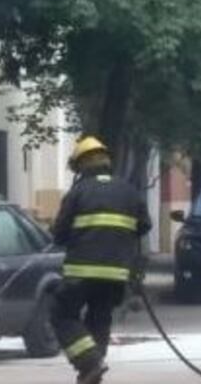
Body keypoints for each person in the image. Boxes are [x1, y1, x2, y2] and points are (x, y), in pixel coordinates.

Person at [50, 136, 152, 384]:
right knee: (99, 316)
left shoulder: (78, 192)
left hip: (81, 272)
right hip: (115, 274)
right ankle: (92, 374)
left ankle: (89, 362)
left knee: (61, 314)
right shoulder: (129, 191)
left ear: (81, 166)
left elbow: (60, 233)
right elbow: (145, 225)